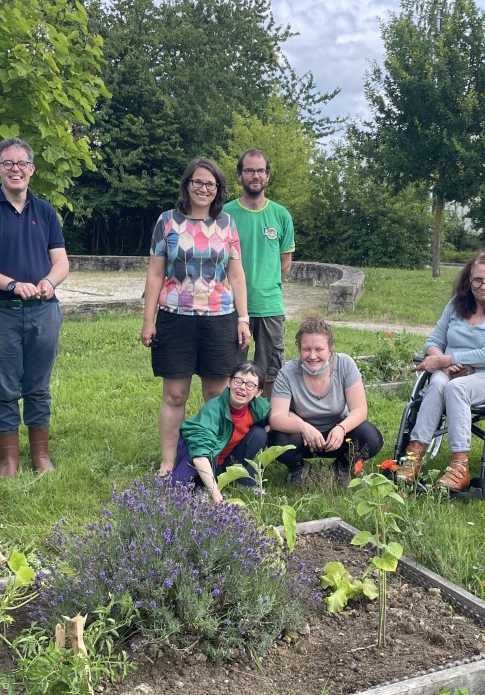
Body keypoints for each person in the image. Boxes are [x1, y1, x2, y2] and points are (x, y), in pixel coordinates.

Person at [141, 157, 253, 475]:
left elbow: (237, 275)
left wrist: (243, 319)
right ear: (187, 185)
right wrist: (148, 320)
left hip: (220, 319)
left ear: (218, 189)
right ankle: (167, 461)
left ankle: (210, 458)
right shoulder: (166, 222)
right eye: (197, 182)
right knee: (175, 394)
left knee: (216, 394)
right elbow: (154, 275)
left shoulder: (227, 225)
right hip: (175, 318)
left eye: (210, 184)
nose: (203, 189)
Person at [0, 138, 69, 479]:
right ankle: (8, 460)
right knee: (4, 388)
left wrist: (49, 283)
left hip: (43, 311)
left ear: (32, 170)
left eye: (22, 163)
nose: (15, 169)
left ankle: (40, 454)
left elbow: (61, 261)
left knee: (39, 387)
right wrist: (11, 284)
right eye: (8, 163)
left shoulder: (46, 211)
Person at [395, 250, 485, 491]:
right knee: (438, 384)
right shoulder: (456, 305)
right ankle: (414, 456)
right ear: (468, 280)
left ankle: (459, 467)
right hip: (452, 370)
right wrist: (440, 359)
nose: (483, 286)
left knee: (455, 387)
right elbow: (433, 341)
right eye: (477, 280)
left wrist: (446, 360)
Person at [268, 316, 384, 482]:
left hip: (338, 435)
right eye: (306, 349)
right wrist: (303, 427)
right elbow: (276, 417)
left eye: (319, 349)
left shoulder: (345, 364)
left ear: (330, 349)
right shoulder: (287, 373)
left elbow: (360, 410)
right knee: (276, 439)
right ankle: (298, 467)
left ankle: (342, 466)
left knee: (371, 437)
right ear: (299, 349)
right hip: (303, 438)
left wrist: (341, 428)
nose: (312, 355)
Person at [223, 149, 295, 392]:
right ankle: (233, 425)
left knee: (271, 373)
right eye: (249, 170)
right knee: (231, 372)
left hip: (269, 306)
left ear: (268, 176)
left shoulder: (281, 214)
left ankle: (267, 425)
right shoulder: (225, 215)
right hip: (231, 307)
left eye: (260, 170)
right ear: (239, 175)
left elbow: (285, 263)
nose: (255, 175)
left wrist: (266, 285)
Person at [173, 361, 271, 503]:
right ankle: (200, 485)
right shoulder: (214, 410)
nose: (242, 388)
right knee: (209, 450)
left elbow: (277, 416)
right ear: (229, 382)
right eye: (238, 381)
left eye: (250, 385)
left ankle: (244, 480)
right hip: (206, 464)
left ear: (258, 392)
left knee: (259, 434)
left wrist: (271, 427)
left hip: (227, 461)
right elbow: (200, 455)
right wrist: (215, 494)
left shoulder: (257, 407)